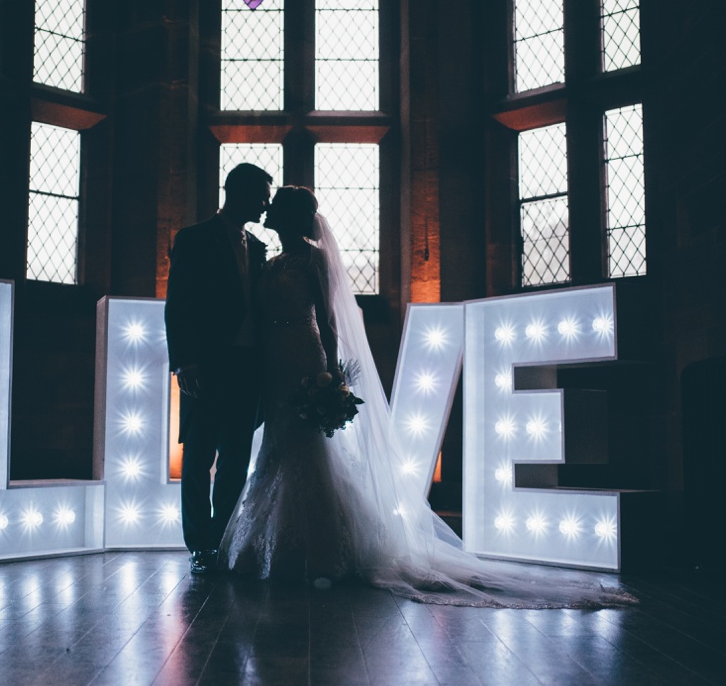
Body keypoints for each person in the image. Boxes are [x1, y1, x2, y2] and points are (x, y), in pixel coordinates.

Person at [219, 186, 636, 608]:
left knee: (309, 449)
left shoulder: (315, 259)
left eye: (276, 207)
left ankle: (321, 552)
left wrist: (327, 374)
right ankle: (269, 548)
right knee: (278, 446)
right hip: (273, 364)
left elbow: (327, 321)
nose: (267, 210)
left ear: (290, 216)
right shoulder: (269, 262)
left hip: (306, 356)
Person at [165, 163, 272, 575]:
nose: (265, 204)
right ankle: (199, 545)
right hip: (205, 366)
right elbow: (179, 305)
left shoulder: (260, 249)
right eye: (261, 195)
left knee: (235, 459)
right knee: (197, 460)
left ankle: (224, 539)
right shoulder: (193, 239)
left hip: (248, 368)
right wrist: (184, 361)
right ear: (238, 192)